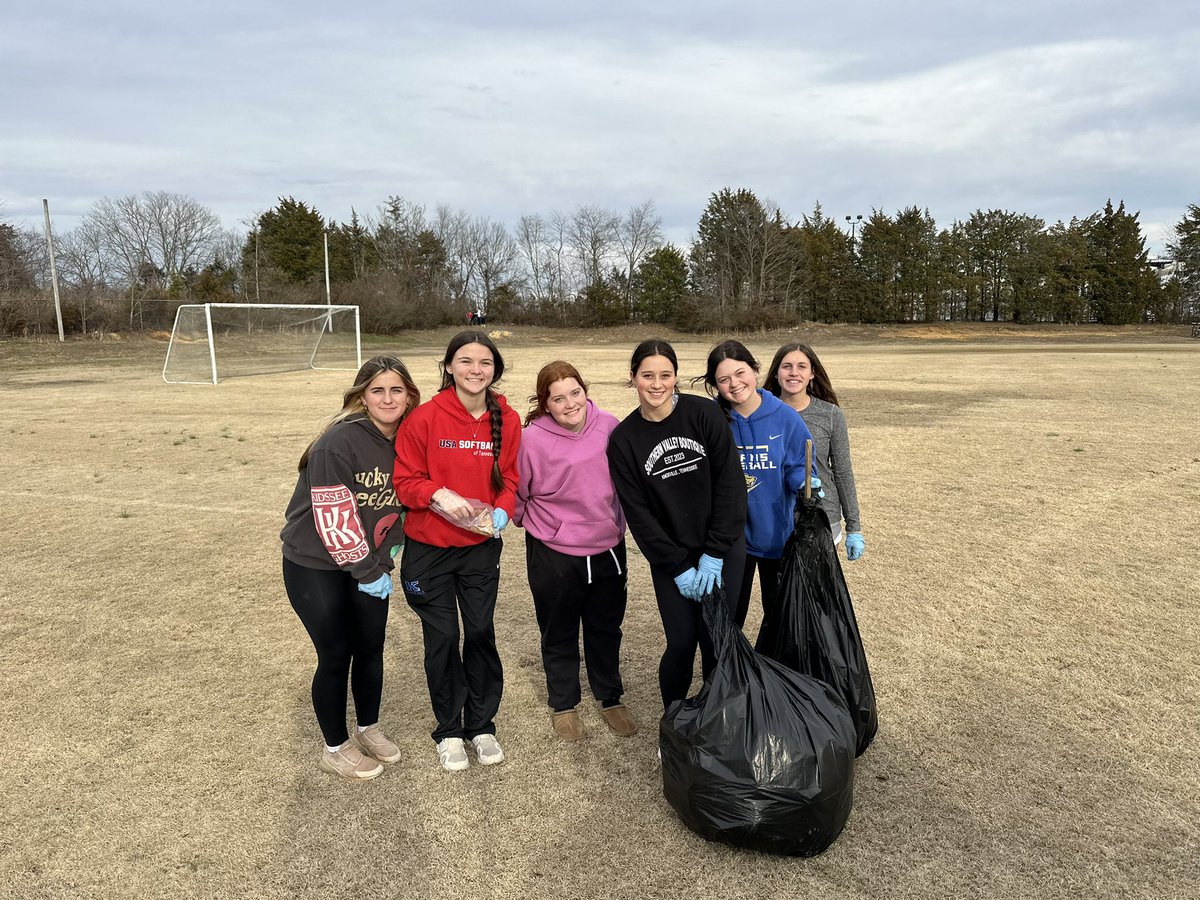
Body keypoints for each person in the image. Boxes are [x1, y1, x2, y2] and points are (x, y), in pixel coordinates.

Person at [280, 356, 420, 781]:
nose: (388, 398)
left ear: (410, 395)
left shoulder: (413, 438)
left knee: (370, 648)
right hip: (316, 563)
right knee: (337, 652)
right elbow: (334, 521)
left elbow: (403, 504)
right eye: (377, 390)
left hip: (371, 562)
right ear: (361, 397)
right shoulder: (337, 443)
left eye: (397, 389)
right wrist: (367, 571)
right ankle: (335, 747)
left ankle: (368, 727)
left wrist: (385, 557)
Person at [393, 330, 521, 771]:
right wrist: (437, 495)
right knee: (444, 638)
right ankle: (448, 730)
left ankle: (482, 725)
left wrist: (502, 511)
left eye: (484, 363)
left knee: (481, 631)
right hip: (429, 549)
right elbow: (404, 482)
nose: (475, 370)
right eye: (465, 361)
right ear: (449, 366)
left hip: (480, 548)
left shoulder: (509, 418)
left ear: (494, 370)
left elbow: (511, 479)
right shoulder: (424, 418)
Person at [607, 339, 748, 710]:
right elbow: (639, 514)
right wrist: (679, 566)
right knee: (683, 642)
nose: (657, 384)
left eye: (665, 375)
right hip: (673, 560)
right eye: (647, 375)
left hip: (723, 551)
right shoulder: (624, 440)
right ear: (633, 378)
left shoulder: (704, 414)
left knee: (718, 640)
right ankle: (674, 719)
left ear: (675, 377)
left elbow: (731, 487)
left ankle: (719, 721)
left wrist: (716, 552)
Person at [515, 361, 636, 741]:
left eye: (575, 393)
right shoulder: (532, 439)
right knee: (559, 629)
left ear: (585, 391)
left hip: (607, 547)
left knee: (605, 627)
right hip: (555, 552)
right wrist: (544, 526)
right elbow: (519, 494)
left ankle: (609, 696)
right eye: (558, 398)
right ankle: (563, 703)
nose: (569, 404)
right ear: (545, 403)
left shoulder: (610, 426)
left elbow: (626, 481)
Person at [699, 340, 820, 629]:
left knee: (780, 618)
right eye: (723, 379)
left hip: (774, 534)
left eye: (740, 373)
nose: (735, 384)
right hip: (729, 538)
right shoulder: (712, 418)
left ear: (755, 370)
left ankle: (774, 672)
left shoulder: (785, 417)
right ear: (715, 385)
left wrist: (804, 482)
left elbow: (796, 464)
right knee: (728, 618)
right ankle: (725, 673)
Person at [764, 342, 865, 561]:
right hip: (775, 520)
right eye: (786, 366)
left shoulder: (830, 414)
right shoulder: (762, 413)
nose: (794, 373)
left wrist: (854, 528)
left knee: (816, 594)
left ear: (812, 373)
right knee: (780, 593)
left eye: (802, 366)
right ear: (775, 374)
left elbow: (842, 472)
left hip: (822, 518)